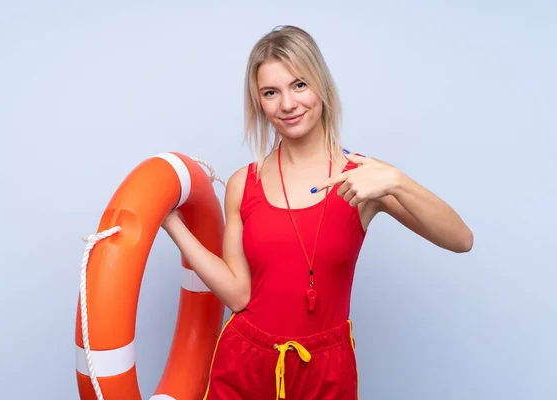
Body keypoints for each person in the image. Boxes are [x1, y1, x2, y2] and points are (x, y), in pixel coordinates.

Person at [161, 25, 473, 400]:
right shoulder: (245, 183)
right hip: (244, 362)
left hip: (325, 371)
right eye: (271, 93)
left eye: (299, 85)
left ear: (321, 86)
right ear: (259, 102)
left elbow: (461, 240)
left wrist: (395, 180)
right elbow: (238, 295)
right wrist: (172, 225)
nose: (288, 104)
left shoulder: (365, 178)